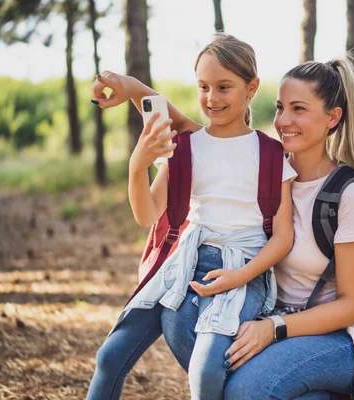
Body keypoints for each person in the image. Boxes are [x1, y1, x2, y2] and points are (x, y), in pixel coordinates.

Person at [92, 44, 354, 398]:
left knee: (244, 389)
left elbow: (352, 306)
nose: (284, 120)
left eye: (299, 109)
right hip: (264, 315)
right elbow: (187, 128)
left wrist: (273, 328)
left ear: (333, 117)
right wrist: (128, 87)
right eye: (281, 108)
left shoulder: (344, 192)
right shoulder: (265, 162)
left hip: (334, 335)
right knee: (183, 327)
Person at [86, 33, 296, 400]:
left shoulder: (271, 154)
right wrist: (138, 166)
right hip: (184, 261)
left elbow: (283, 236)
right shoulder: (186, 145)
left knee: (204, 372)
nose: (212, 98)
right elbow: (146, 213)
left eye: (224, 87)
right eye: (203, 86)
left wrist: (240, 275)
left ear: (252, 88)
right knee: (110, 356)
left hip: (242, 268)